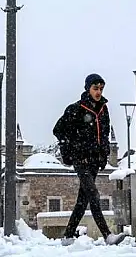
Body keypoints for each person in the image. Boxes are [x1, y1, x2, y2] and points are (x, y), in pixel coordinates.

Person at [53, 73, 126, 246]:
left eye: (101, 89)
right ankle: (108, 235)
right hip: (81, 159)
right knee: (93, 194)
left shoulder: (103, 109)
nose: (99, 92)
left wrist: (104, 154)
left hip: (94, 160)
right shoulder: (76, 109)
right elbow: (58, 130)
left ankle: (68, 235)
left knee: (83, 199)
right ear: (88, 89)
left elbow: (105, 134)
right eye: (95, 88)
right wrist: (70, 151)